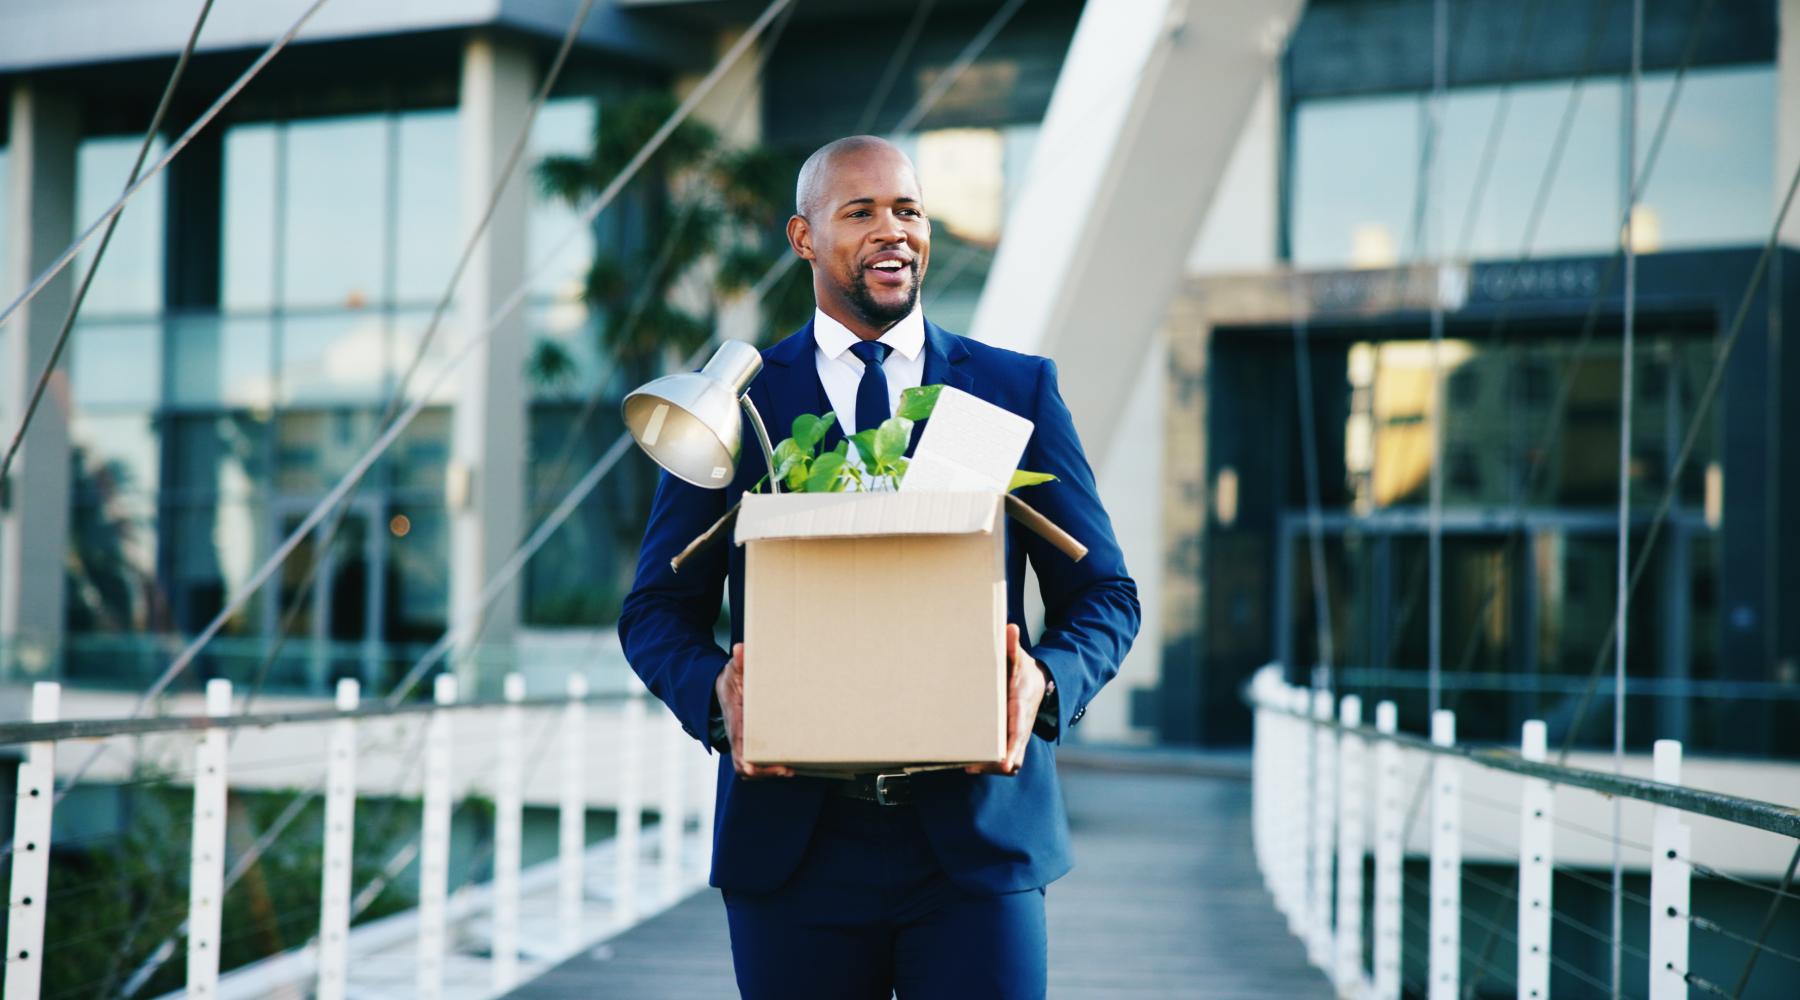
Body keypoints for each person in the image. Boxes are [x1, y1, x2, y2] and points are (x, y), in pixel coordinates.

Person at [618, 135, 1139, 999]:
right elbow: (655, 609)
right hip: (794, 849)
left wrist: (1045, 682)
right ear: (803, 238)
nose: (893, 230)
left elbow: (1105, 595)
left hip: (978, 844)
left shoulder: (1011, 390)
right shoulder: (736, 405)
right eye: (860, 212)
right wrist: (716, 695)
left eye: (909, 210)